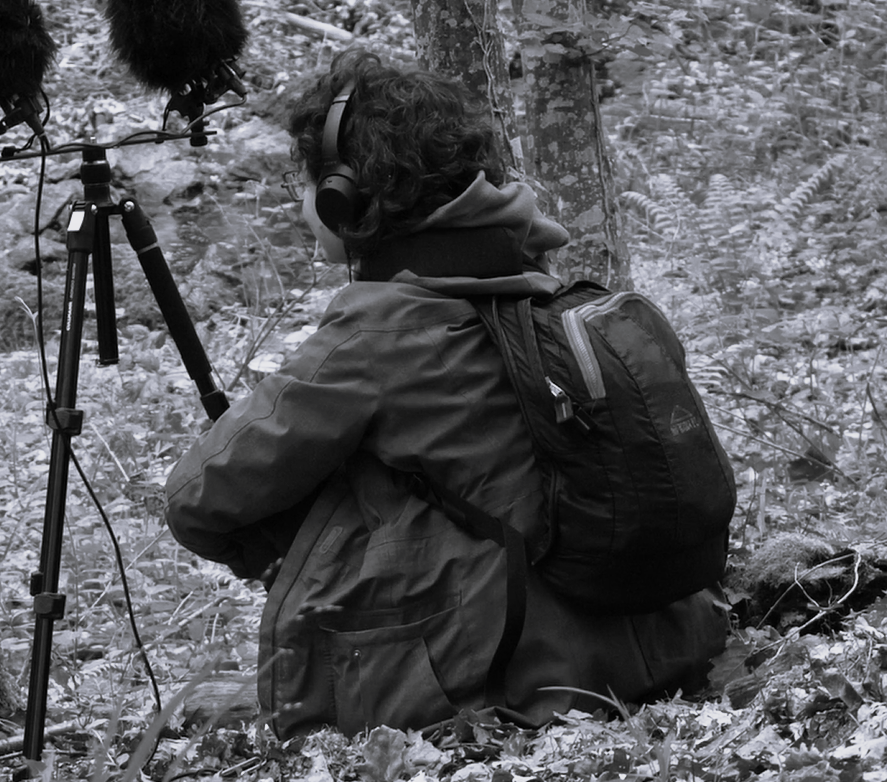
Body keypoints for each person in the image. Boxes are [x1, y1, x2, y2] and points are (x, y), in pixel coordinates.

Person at [163, 49, 726, 737]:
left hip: (516, 689)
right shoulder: (543, 290)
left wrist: (297, 547)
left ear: (342, 195)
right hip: (659, 651)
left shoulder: (380, 332)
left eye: (303, 182)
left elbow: (197, 499)